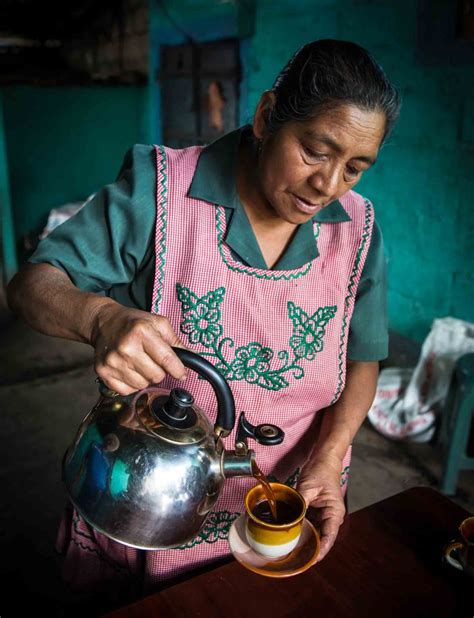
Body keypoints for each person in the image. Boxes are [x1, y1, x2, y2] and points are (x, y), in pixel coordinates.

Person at [8, 39, 400, 599]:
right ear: (267, 117)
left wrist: (330, 456)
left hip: (289, 501)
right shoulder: (162, 191)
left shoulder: (357, 230)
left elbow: (363, 358)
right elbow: (31, 286)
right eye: (316, 151)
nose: (328, 185)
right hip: (150, 501)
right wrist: (99, 317)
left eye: (355, 168)